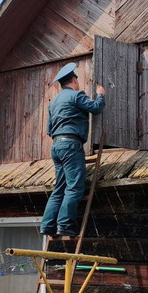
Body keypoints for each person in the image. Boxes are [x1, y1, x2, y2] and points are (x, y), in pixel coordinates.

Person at [41, 62, 105, 236]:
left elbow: (49, 130)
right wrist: (100, 95)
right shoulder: (77, 96)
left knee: (59, 188)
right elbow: (96, 108)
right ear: (74, 80)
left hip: (56, 147)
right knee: (74, 187)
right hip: (71, 145)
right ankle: (65, 225)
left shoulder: (53, 103)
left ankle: (47, 225)